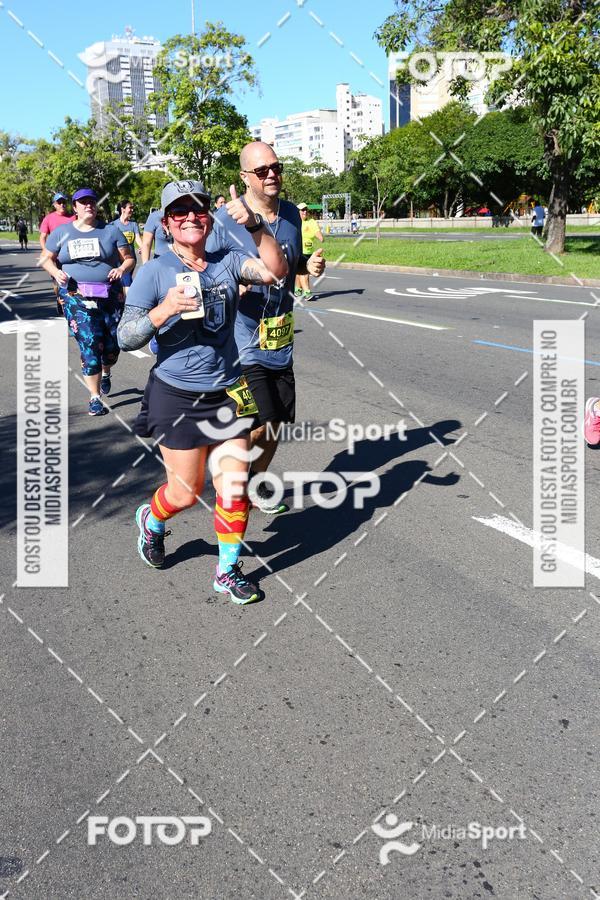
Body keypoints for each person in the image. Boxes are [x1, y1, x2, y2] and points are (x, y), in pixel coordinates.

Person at [117, 179, 288, 604]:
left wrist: (256, 228)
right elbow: (125, 338)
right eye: (179, 212)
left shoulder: (227, 261)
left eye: (197, 209)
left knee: (234, 486)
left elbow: (275, 272)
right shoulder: (154, 272)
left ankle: (227, 570)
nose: (190, 217)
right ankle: (152, 520)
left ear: (208, 217)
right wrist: (165, 309)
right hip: (176, 395)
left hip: (229, 390)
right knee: (186, 492)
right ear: (166, 222)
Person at [208, 141, 325, 514]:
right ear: (244, 177)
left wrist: (309, 266)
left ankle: (256, 479)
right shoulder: (225, 221)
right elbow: (204, 270)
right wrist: (232, 285)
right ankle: (234, 486)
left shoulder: (291, 214)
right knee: (259, 420)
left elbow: (290, 262)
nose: (272, 174)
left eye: (276, 167)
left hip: (280, 337)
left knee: (276, 425)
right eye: (262, 170)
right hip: (241, 339)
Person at [41, 188, 135, 415]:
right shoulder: (62, 232)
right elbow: (46, 259)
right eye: (83, 202)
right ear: (75, 207)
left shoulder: (111, 231)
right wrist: (55, 271)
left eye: (91, 201)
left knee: (111, 346)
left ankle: (107, 370)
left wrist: (121, 268)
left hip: (109, 296)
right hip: (76, 297)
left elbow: (130, 258)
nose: (88, 205)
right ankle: (94, 397)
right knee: (90, 342)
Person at [294, 203, 324, 301]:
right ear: (297, 211)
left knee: (300, 271)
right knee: (304, 271)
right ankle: (307, 292)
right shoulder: (294, 222)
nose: (305, 212)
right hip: (298, 251)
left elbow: (318, 233)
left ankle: (297, 289)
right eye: (302, 210)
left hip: (309, 252)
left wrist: (320, 237)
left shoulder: (311, 222)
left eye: (306, 210)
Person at [112, 200, 142, 293]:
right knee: (127, 282)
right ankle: (127, 304)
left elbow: (138, 239)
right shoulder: (113, 225)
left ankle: (121, 304)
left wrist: (143, 247)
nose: (132, 210)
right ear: (123, 209)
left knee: (123, 283)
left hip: (131, 260)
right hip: (119, 260)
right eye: (130, 208)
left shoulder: (133, 224)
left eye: (133, 208)